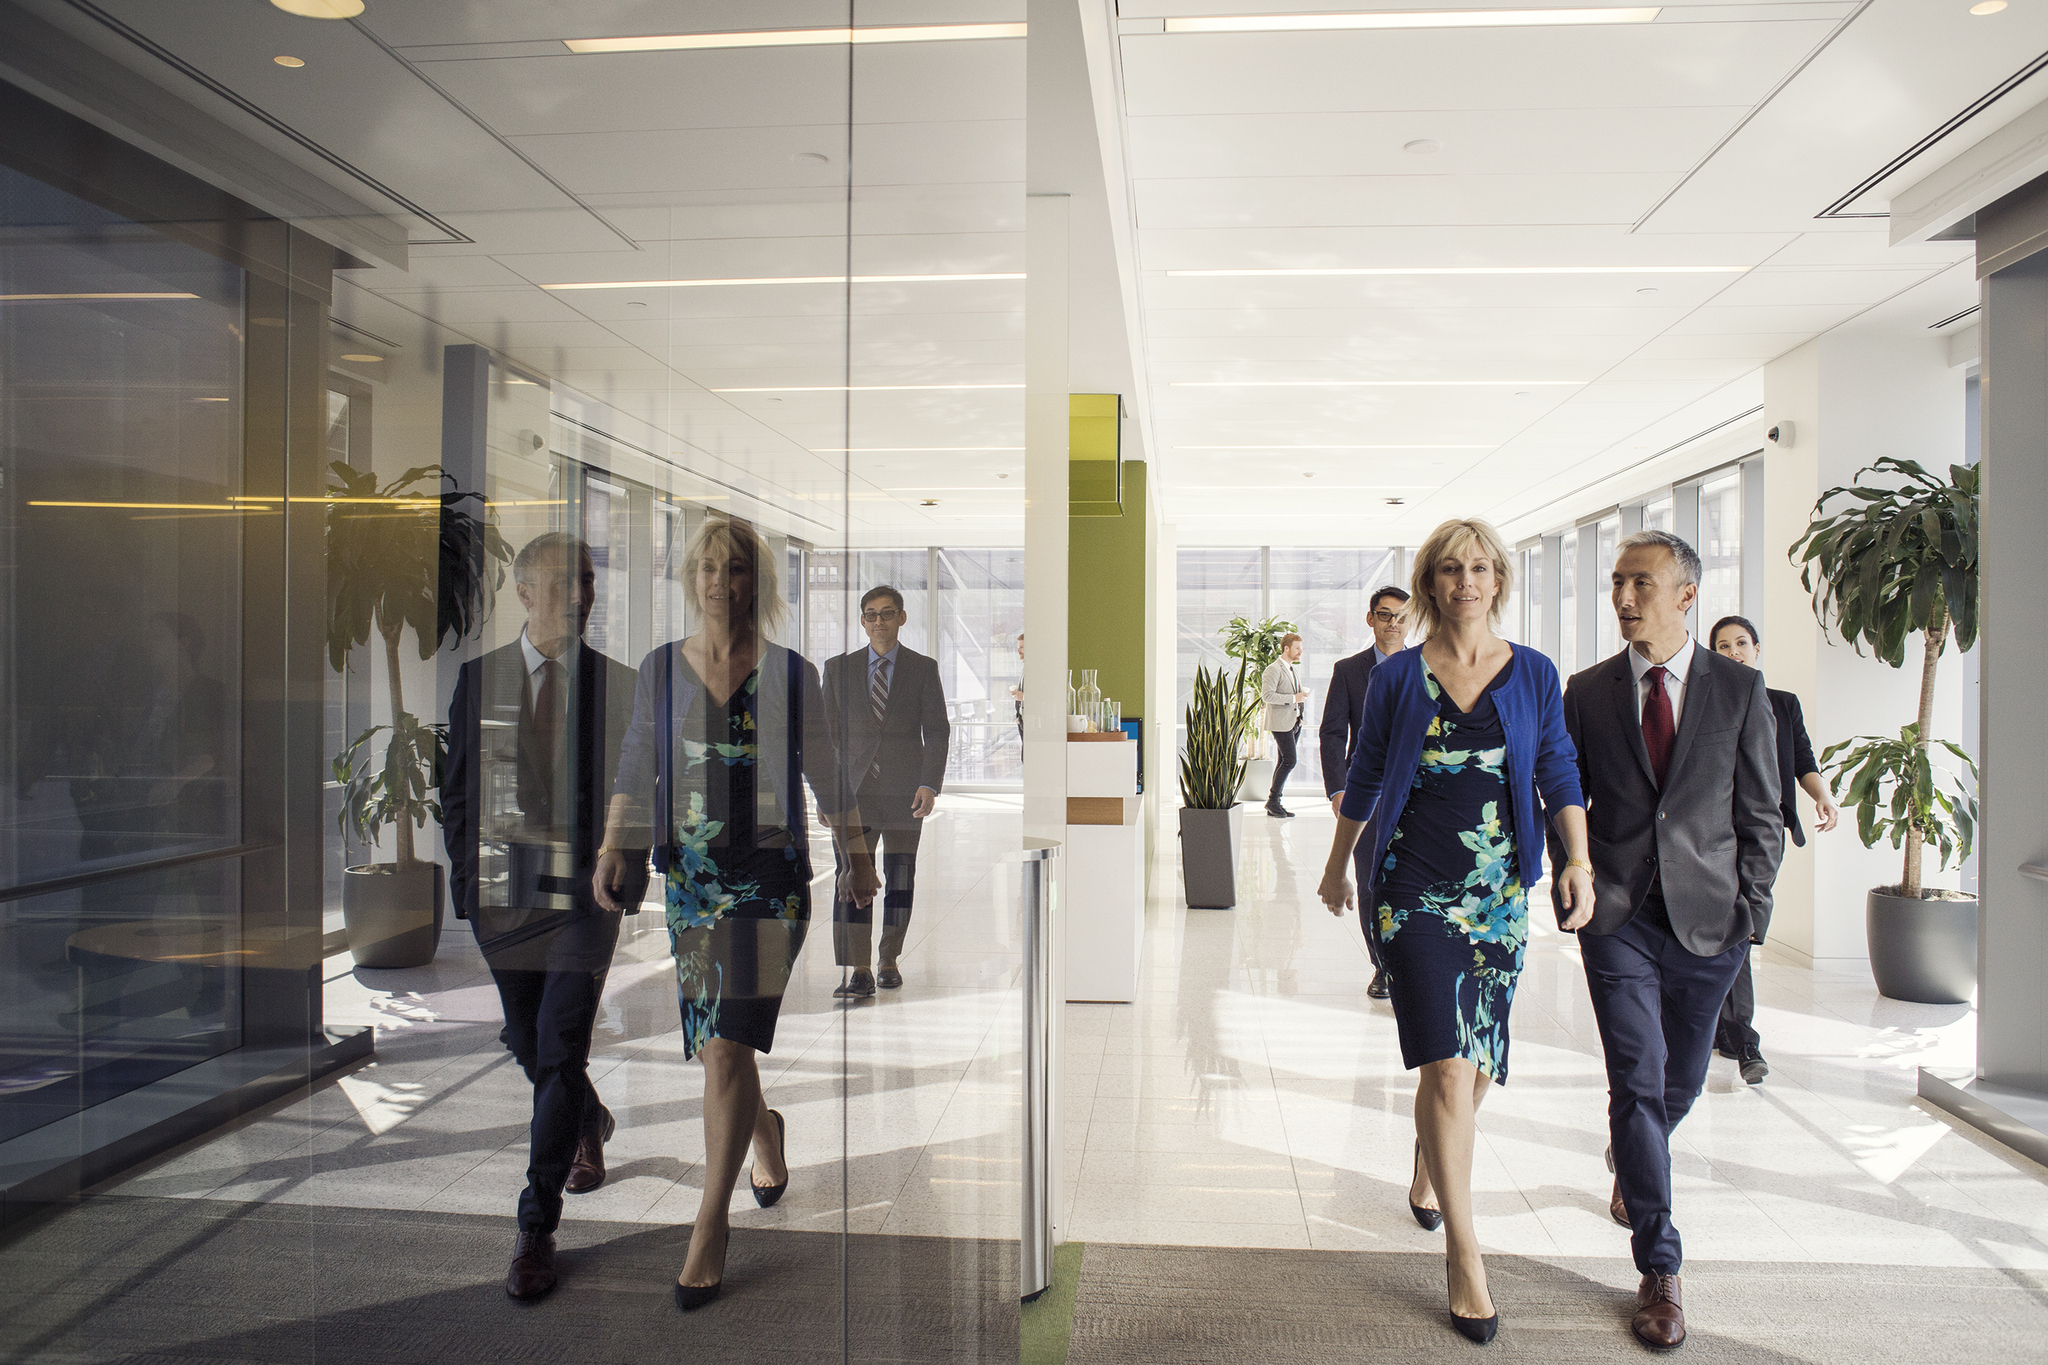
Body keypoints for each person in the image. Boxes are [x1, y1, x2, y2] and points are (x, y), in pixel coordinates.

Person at [1318, 519, 1593, 1346]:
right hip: (1411, 884)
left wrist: (1576, 857)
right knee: (1445, 1061)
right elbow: (1365, 773)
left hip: (1499, 890)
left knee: (1474, 1066)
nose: (1465, 580)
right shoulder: (1401, 676)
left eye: (1479, 567)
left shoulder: (1535, 673)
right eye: (1449, 568)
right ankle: (1466, 1257)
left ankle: (1428, 1162)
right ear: (1430, 584)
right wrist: (1339, 866)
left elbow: (1556, 769)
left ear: (1499, 579)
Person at [594, 518, 879, 1311]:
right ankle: (765, 1133)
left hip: (769, 878)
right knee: (726, 1047)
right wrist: (614, 848)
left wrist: (857, 855)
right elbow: (634, 762)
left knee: (724, 1045)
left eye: (739, 569)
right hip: (689, 880)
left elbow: (826, 768)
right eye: (711, 568)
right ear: (693, 578)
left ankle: (708, 1224)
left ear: (760, 582)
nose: (723, 582)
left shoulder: (792, 673)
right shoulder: (661, 669)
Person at [1551, 531, 1783, 1351]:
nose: (1622, 597)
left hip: (1711, 923)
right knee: (1637, 1080)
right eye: (1616, 582)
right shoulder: (1585, 690)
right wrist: (1569, 871)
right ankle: (1660, 1264)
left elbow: (1760, 812)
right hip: (1615, 919)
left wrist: (1751, 910)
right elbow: (1564, 790)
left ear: (1686, 594)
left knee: (1678, 1081)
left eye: (1639, 583)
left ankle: (1632, 1157)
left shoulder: (1742, 690)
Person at [443, 533, 641, 1302]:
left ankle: (536, 1223)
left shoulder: (618, 684)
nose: (582, 596)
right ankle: (588, 1116)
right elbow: (457, 792)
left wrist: (625, 860)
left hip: (586, 897)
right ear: (525, 592)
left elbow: (642, 785)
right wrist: (467, 886)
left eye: (589, 581)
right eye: (565, 582)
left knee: (558, 1044)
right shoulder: (479, 679)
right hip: (505, 898)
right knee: (527, 1039)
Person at [1708, 614, 1838, 1086]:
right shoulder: (1705, 703)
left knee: (1737, 926)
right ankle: (1742, 1040)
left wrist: (1820, 793)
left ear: (1757, 649)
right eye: (1723, 646)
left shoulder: (1782, 704)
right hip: (1714, 833)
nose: (1734, 652)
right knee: (1732, 927)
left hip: (1765, 833)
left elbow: (1802, 757)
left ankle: (1724, 1030)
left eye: (1741, 643)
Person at [823, 586, 951, 997]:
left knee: (900, 878)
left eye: (888, 613)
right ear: (862, 621)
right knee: (850, 876)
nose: (879, 621)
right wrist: (828, 795)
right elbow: (825, 737)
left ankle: (888, 959)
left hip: (904, 794)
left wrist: (929, 784)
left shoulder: (922, 668)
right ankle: (859, 968)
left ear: (902, 618)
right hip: (852, 794)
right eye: (871, 614)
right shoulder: (837, 669)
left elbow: (937, 730)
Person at [1319, 585, 1412, 999]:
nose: (1393, 623)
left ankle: (1411, 963)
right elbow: (1333, 733)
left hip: (1418, 794)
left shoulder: (1429, 666)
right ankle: (1383, 967)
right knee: (1371, 882)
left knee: (1411, 881)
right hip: (1366, 794)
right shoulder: (1349, 670)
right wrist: (1338, 789)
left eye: (1401, 616)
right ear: (1371, 618)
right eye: (1385, 614)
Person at [1261, 632, 1310, 817]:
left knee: (1284, 761)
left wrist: (1300, 700)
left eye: (1301, 648)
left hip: (1294, 722)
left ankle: (1275, 803)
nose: (1300, 652)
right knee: (1290, 760)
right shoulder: (1273, 669)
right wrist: (1293, 698)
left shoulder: (1291, 668)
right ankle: (1273, 800)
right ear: (1286, 648)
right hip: (1280, 723)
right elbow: (1267, 696)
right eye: (1297, 648)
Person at [1010, 630, 1025, 740]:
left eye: (1022, 647)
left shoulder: (1038, 669)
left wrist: (1023, 696)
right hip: (1023, 721)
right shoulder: (1026, 666)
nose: (1018, 651)